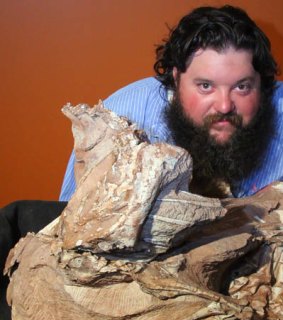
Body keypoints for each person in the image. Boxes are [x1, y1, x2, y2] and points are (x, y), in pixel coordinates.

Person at [59, 4, 283, 200]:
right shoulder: (121, 117)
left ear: (261, 83)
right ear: (176, 79)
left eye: (241, 87)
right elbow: (66, 222)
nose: (224, 106)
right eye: (205, 86)